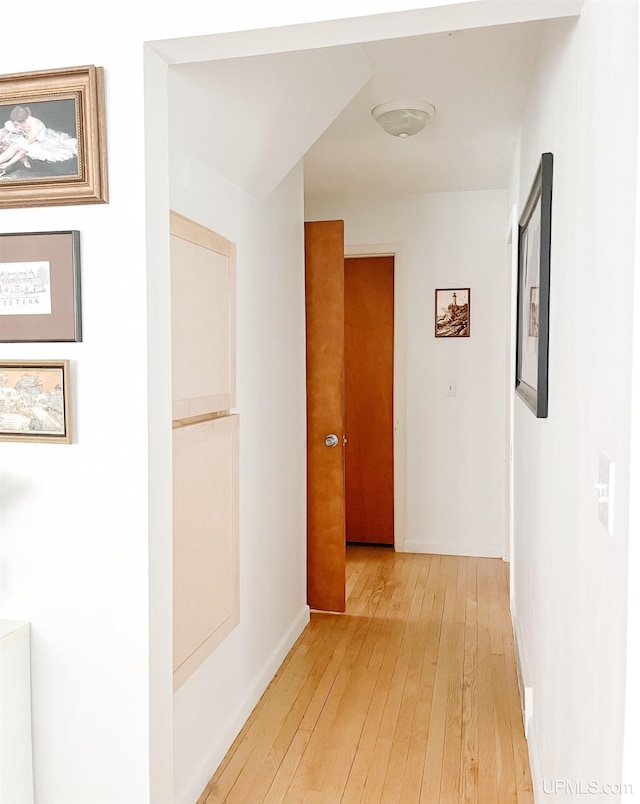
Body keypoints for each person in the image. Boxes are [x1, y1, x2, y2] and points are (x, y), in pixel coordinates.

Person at [0, 105, 78, 177]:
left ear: (24, 121)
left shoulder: (35, 126)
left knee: (15, 146)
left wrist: (8, 163)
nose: (15, 126)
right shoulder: (17, 123)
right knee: (9, 143)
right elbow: (5, 131)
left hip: (43, 144)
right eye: (14, 124)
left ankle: (5, 165)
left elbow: (25, 148)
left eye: (17, 125)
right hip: (26, 141)